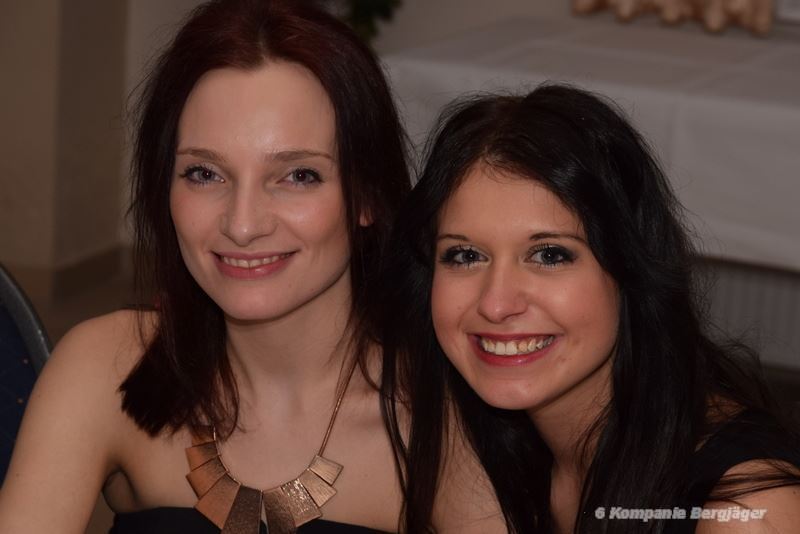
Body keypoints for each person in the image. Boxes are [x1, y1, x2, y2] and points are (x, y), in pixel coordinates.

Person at [0, 1, 503, 533]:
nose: (242, 225)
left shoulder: (442, 417)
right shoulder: (108, 366)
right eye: (204, 173)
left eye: (298, 176)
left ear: (367, 196)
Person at [382, 83, 800, 533]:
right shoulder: (475, 438)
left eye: (549, 255)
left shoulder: (745, 511)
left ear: (631, 268)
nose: (496, 304)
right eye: (465, 255)